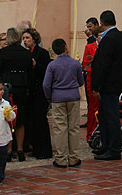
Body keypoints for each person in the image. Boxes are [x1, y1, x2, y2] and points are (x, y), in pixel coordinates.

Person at [91, 10, 122, 160]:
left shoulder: (109, 39)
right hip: (114, 83)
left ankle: (113, 149)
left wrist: (96, 84)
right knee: (104, 116)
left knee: (111, 117)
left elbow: (103, 64)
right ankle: (105, 145)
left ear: (101, 23)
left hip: (108, 85)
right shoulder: (119, 37)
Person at [43, 38, 84, 168]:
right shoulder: (75, 63)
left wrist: (49, 97)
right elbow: (81, 81)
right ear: (66, 47)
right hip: (73, 96)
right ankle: (73, 157)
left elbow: (46, 84)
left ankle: (61, 158)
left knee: (60, 128)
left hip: (57, 97)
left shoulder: (52, 65)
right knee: (73, 127)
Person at [0, 28, 32, 161]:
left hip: (7, 87)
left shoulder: (4, 52)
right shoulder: (25, 53)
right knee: (20, 119)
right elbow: (29, 70)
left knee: (8, 118)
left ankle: (9, 150)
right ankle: (20, 148)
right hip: (21, 86)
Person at [22, 27, 52, 159]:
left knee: (41, 121)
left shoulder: (42, 53)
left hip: (40, 91)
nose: (25, 40)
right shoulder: (25, 53)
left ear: (34, 39)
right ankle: (34, 147)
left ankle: (44, 150)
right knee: (31, 121)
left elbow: (46, 71)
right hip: (30, 92)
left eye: (27, 38)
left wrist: (35, 65)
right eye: (23, 38)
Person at [81, 27, 100, 140]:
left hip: (103, 81)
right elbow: (85, 64)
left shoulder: (106, 47)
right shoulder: (89, 47)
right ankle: (91, 133)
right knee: (93, 108)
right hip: (92, 80)